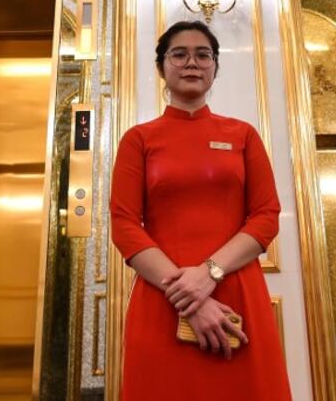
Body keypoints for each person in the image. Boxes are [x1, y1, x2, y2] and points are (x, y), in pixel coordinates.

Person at [110, 20, 293, 400]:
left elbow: (266, 215)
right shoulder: (138, 139)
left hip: (236, 290)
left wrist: (209, 274)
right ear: (161, 66)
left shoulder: (242, 135)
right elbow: (125, 225)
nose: (191, 62)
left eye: (203, 55)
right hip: (162, 297)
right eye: (179, 54)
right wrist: (188, 294)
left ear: (215, 68)